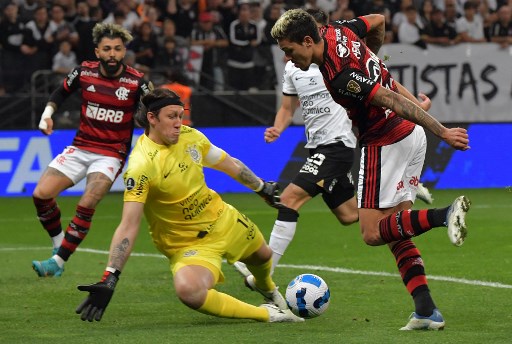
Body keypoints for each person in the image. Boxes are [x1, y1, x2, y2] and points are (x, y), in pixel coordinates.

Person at [270, 9, 471, 331]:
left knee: (372, 232)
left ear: (308, 40)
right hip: (409, 136)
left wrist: (443, 131)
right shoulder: (338, 31)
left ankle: (444, 215)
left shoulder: (340, 77)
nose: (288, 60)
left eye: (289, 51)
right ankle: (426, 311)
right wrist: (372, 60)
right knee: (397, 230)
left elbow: (389, 98)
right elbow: (377, 20)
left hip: (385, 140)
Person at [74, 88, 304, 324]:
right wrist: (110, 276)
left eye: (180, 116)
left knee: (263, 257)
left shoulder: (190, 136)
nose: (178, 123)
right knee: (189, 291)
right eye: (171, 117)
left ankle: (267, 290)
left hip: (223, 219)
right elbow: (128, 225)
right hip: (187, 244)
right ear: (152, 118)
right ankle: (267, 314)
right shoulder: (142, 164)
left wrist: (261, 187)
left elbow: (228, 163)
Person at [235, 8, 434, 279]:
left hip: (337, 145)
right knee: (350, 215)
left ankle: (262, 271)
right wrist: (278, 128)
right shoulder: (295, 67)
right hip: (317, 146)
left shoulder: (338, 65)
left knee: (289, 199)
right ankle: (403, 185)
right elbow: (286, 107)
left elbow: (385, 86)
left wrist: (417, 106)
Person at [31, 23, 153, 278]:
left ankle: (58, 261)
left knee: (87, 202)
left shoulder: (137, 82)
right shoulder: (84, 72)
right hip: (81, 146)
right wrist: (48, 113)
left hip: (111, 152)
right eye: (107, 49)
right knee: (41, 195)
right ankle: (58, 243)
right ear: (97, 51)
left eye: (117, 49)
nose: (112, 54)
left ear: (123, 52)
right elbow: (61, 92)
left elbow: (155, 109)